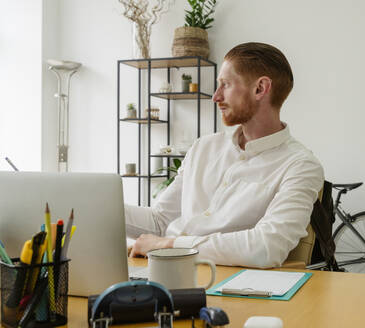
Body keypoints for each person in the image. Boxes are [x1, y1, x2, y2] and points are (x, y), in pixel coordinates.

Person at [125, 42, 324, 268]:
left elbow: (267, 247)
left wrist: (171, 245)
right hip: (165, 271)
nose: (215, 97)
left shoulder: (300, 165)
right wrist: (97, 207)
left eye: (225, 85)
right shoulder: (203, 147)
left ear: (260, 88)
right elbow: (160, 221)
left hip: (226, 285)